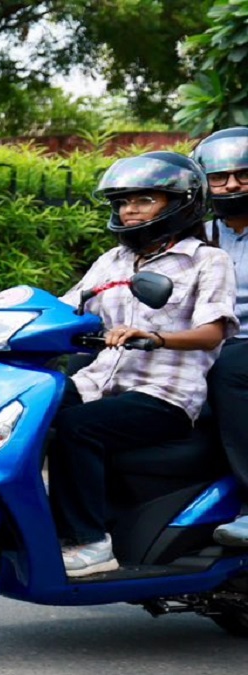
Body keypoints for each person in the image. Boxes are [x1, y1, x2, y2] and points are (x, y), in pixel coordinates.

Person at [49, 151, 237, 578]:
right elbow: (67, 308)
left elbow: (213, 331)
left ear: (180, 204)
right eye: (123, 202)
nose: (129, 210)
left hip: (164, 395)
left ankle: (91, 542)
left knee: (79, 428)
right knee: (33, 407)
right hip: (100, 382)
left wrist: (155, 337)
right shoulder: (112, 260)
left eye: (143, 200)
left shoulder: (206, 260)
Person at [194, 126, 248, 546]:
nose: (231, 184)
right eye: (219, 176)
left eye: (244, 174)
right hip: (207, 341)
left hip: (240, 347)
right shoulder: (198, 235)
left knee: (227, 369)